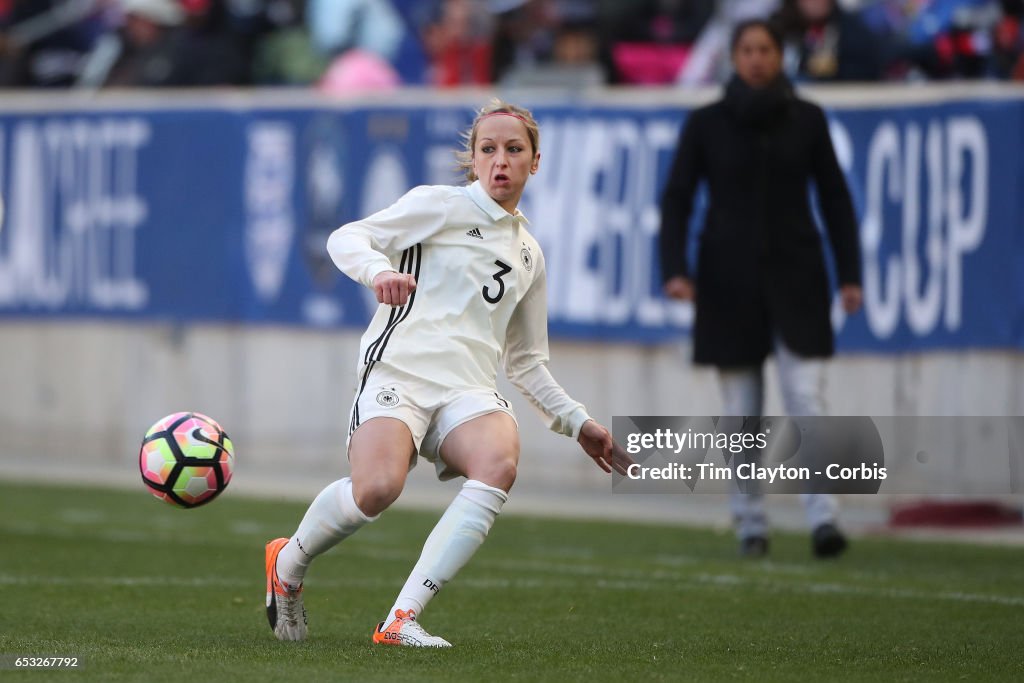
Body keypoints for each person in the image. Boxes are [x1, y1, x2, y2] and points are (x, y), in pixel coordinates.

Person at [265, 99, 617, 647]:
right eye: (488, 149)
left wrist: (578, 423)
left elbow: (525, 361)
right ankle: (288, 563)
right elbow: (346, 237)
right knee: (377, 489)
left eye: (514, 150)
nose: (500, 160)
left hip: (468, 392)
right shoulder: (440, 206)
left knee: (498, 462)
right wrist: (379, 269)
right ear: (473, 159)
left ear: (535, 162)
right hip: (398, 375)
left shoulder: (528, 255)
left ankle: (401, 619)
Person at [658, 19, 863, 559]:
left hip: (798, 276)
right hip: (728, 281)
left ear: (780, 54)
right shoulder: (706, 123)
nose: (755, 59)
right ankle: (751, 522)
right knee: (743, 413)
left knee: (806, 399)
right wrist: (675, 268)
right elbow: (677, 198)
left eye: (765, 49)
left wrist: (850, 275)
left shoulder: (808, 120)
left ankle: (824, 519)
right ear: (733, 57)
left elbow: (836, 201)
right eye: (746, 50)